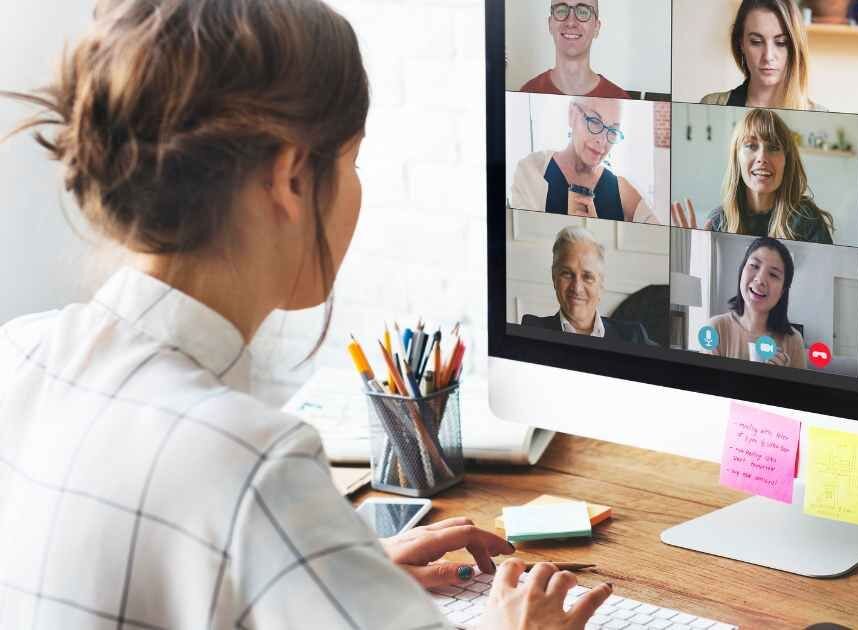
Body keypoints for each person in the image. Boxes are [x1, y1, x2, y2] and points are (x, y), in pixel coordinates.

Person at [0, 2, 611, 628]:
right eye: (350, 162)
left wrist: (324, 567)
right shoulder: (252, 464)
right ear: (292, 177)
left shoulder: (16, 355)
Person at [672, 108, 834, 244]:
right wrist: (694, 257)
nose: (762, 157)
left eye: (773, 147)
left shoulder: (807, 219)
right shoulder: (718, 222)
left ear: (787, 160)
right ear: (737, 158)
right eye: (751, 146)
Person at [509, 96, 658, 223]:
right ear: (572, 115)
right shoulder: (531, 170)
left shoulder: (623, 190)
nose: (602, 140)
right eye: (595, 122)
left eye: (613, 130)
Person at [521, 226, 653, 344]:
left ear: (600, 286)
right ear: (554, 278)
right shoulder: (531, 329)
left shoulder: (633, 336)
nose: (577, 288)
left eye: (587, 277)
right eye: (567, 274)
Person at [700, 0, 826, 111]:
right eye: (756, 42)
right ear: (741, 43)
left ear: (795, 47)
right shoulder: (711, 106)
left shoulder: (820, 116)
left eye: (781, 43)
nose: (768, 56)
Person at [700, 237, 807, 368]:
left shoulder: (794, 341)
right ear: (742, 271)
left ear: (783, 291)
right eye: (754, 266)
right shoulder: (715, 328)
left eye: (773, 274)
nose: (760, 279)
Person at [519, 0, 629, 98]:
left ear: (596, 27)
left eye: (583, 12)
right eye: (561, 11)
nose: (571, 23)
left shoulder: (621, 101)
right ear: (550, 24)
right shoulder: (527, 94)